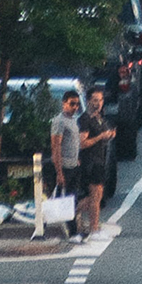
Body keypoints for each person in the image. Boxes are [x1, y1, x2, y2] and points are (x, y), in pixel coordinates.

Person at [75, 88, 117, 243]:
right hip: (91, 162)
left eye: (100, 100)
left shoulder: (100, 118)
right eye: (95, 100)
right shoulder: (85, 120)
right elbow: (82, 142)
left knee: (96, 197)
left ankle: (72, 214)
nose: (98, 103)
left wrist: (109, 135)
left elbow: (105, 135)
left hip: (100, 159)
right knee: (94, 196)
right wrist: (100, 137)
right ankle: (93, 228)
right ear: (88, 101)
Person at [48, 90, 82, 238]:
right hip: (64, 167)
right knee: (65, 199)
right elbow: (56, 146)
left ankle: (73, 229)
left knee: (72, 199)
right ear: (64, 103)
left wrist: (77, 158)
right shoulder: (59, 121)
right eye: (72, 104)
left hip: (73, 165)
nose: (75, 107)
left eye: (77, 104)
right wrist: (59, 172)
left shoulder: (73, 120)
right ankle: (72, 231)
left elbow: (73, 143)